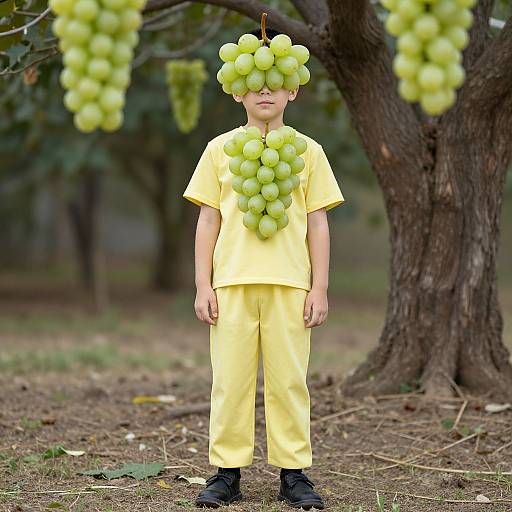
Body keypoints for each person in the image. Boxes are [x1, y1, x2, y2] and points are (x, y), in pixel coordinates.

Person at [182, 27, 345, 510]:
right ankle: (225, 472)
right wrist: (201, 283)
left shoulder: (309, 151)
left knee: (289, 381)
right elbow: (208, 217)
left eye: (277, 82)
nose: (266, 90)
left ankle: (293, 475)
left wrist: (320, 287)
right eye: (255, 82)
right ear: (236, 90)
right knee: (229, 382)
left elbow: (318, 222)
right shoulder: (219, 150)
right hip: (230, 283)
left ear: (294, 88)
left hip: (291, 285)